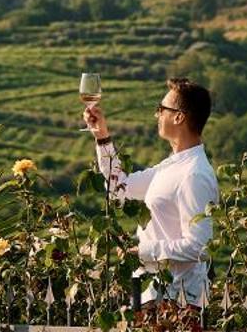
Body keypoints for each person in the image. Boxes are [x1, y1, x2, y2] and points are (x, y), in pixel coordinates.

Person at [82, 76, 219, 311]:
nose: (157, 115)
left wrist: (145, 251)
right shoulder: (172, 166)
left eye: (161, 109)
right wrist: (102, 136)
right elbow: (118, 189)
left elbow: (200, 246)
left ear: (178, 116)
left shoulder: (193, 174)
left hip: (178, 302)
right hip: (156, 295)